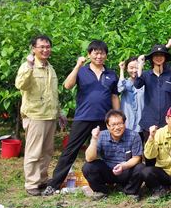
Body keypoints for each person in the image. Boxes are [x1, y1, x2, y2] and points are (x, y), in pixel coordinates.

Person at [43, 40, 119, 196]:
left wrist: (117, 115)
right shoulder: (82, 71)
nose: (99, 56)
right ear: (89, 54)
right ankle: (54, 184)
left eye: (102, 53)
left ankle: (112, 182)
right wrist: (77, 66)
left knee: (111, 149)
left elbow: (114, 96)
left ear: (106, 55)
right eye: (96, 53)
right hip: (84, 117)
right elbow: (67, 85)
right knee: (70, 151)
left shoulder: (111, 74)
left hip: (105, 119)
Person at [15, 35, 66, 196]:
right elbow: (20, 85)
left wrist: (59, 113)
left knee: (47, 151)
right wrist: (30, 66)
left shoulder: (50, 68)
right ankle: (31, 183)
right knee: (34, 151)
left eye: (48, 46)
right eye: (42, 47)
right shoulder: (27, 66)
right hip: (35, 115)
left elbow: (53, 94)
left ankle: (42, 180)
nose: (45, 50)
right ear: (34, 49)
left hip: (50, 115)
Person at [82, 110, 144, 200]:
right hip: (108, 171)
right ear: (107, 126)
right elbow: (89, 158)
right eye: (113, 125)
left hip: (125, 170)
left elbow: (137, 158)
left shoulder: (134, 135)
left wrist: (123, 166)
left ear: (124, 123)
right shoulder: (101, 135)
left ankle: (130, 191)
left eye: (120, 124)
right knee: (88, 167)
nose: (117, 127)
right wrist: (94, 139)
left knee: (141, 167)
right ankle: (101, 191)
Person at [134, 44, 171, 144]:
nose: (158, 58)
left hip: (167, 120)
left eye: (161, 55)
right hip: (149, 120)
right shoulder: (146, 74)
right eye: (156, 55)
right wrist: (140, 66)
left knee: (167, 151)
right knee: (149, 151)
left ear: (165, 58)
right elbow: (137, 84)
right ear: (152, 58)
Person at [118, 56, 144, 134]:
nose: (134, 70)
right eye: (131, 68)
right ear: (127, 69)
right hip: (127, 123)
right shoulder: (125, 83)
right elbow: (120, 88)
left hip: (141, 124)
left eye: (136, 67)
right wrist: (121, 70)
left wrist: (140, 68)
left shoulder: (144, 84)